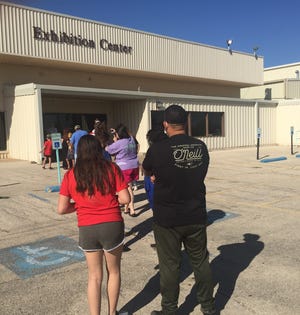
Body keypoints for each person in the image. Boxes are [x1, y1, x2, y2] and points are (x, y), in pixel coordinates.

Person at [142, 105, 216, 315]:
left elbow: (147, 169)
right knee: (200, 262)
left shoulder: (158, 149)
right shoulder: (200, 147)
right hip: (195, 214)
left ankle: (170, 309)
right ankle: (208, 307)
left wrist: (155, 176)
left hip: (167, 218)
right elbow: (200, 172)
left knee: (170, 265)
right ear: (186, 122)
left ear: (165, 124)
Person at [57, 135, 130, 315]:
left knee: (94, 277)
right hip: (112, 224)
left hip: (87, 226)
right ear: (99, 149)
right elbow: (125, 198)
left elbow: (61, 208)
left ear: (79, 152)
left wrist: (79, 205)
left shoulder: (71, 174)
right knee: (113, 272)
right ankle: (112, 312)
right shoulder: (111, 168)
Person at [106, 124, 139, 216]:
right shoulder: (131, 139)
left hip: (124, 168)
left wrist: (115, 139)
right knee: (129, 186)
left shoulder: (120, 143)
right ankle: (126, 208)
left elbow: (108, 150)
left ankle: (132, 208)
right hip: (134, 165)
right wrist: (117, 132)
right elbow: (129, 134)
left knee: (128, 189)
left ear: (118, 134)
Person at [144, 128, 168, 209]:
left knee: (155, 202)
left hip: (154, 179)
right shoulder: (171, 147)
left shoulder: (153, 149)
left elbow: (146, 166)